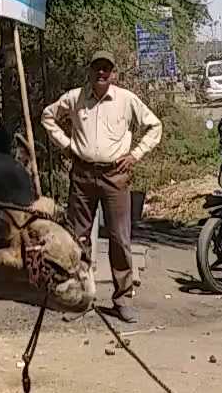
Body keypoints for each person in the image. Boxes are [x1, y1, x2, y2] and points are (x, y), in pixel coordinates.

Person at [41, 50, 162, 323]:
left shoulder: (126, 100)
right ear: (90, 71)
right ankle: (79, 299)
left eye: (106, 69)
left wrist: (135, 155)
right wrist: (67, 146)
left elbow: (154, 126)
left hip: (115, 176)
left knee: (120, 237)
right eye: (97, 68)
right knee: (78, 238)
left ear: (114, 74)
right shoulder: (76, 98)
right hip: (82, 175)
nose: (101, 73)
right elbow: (48, 117)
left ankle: (122, 299)